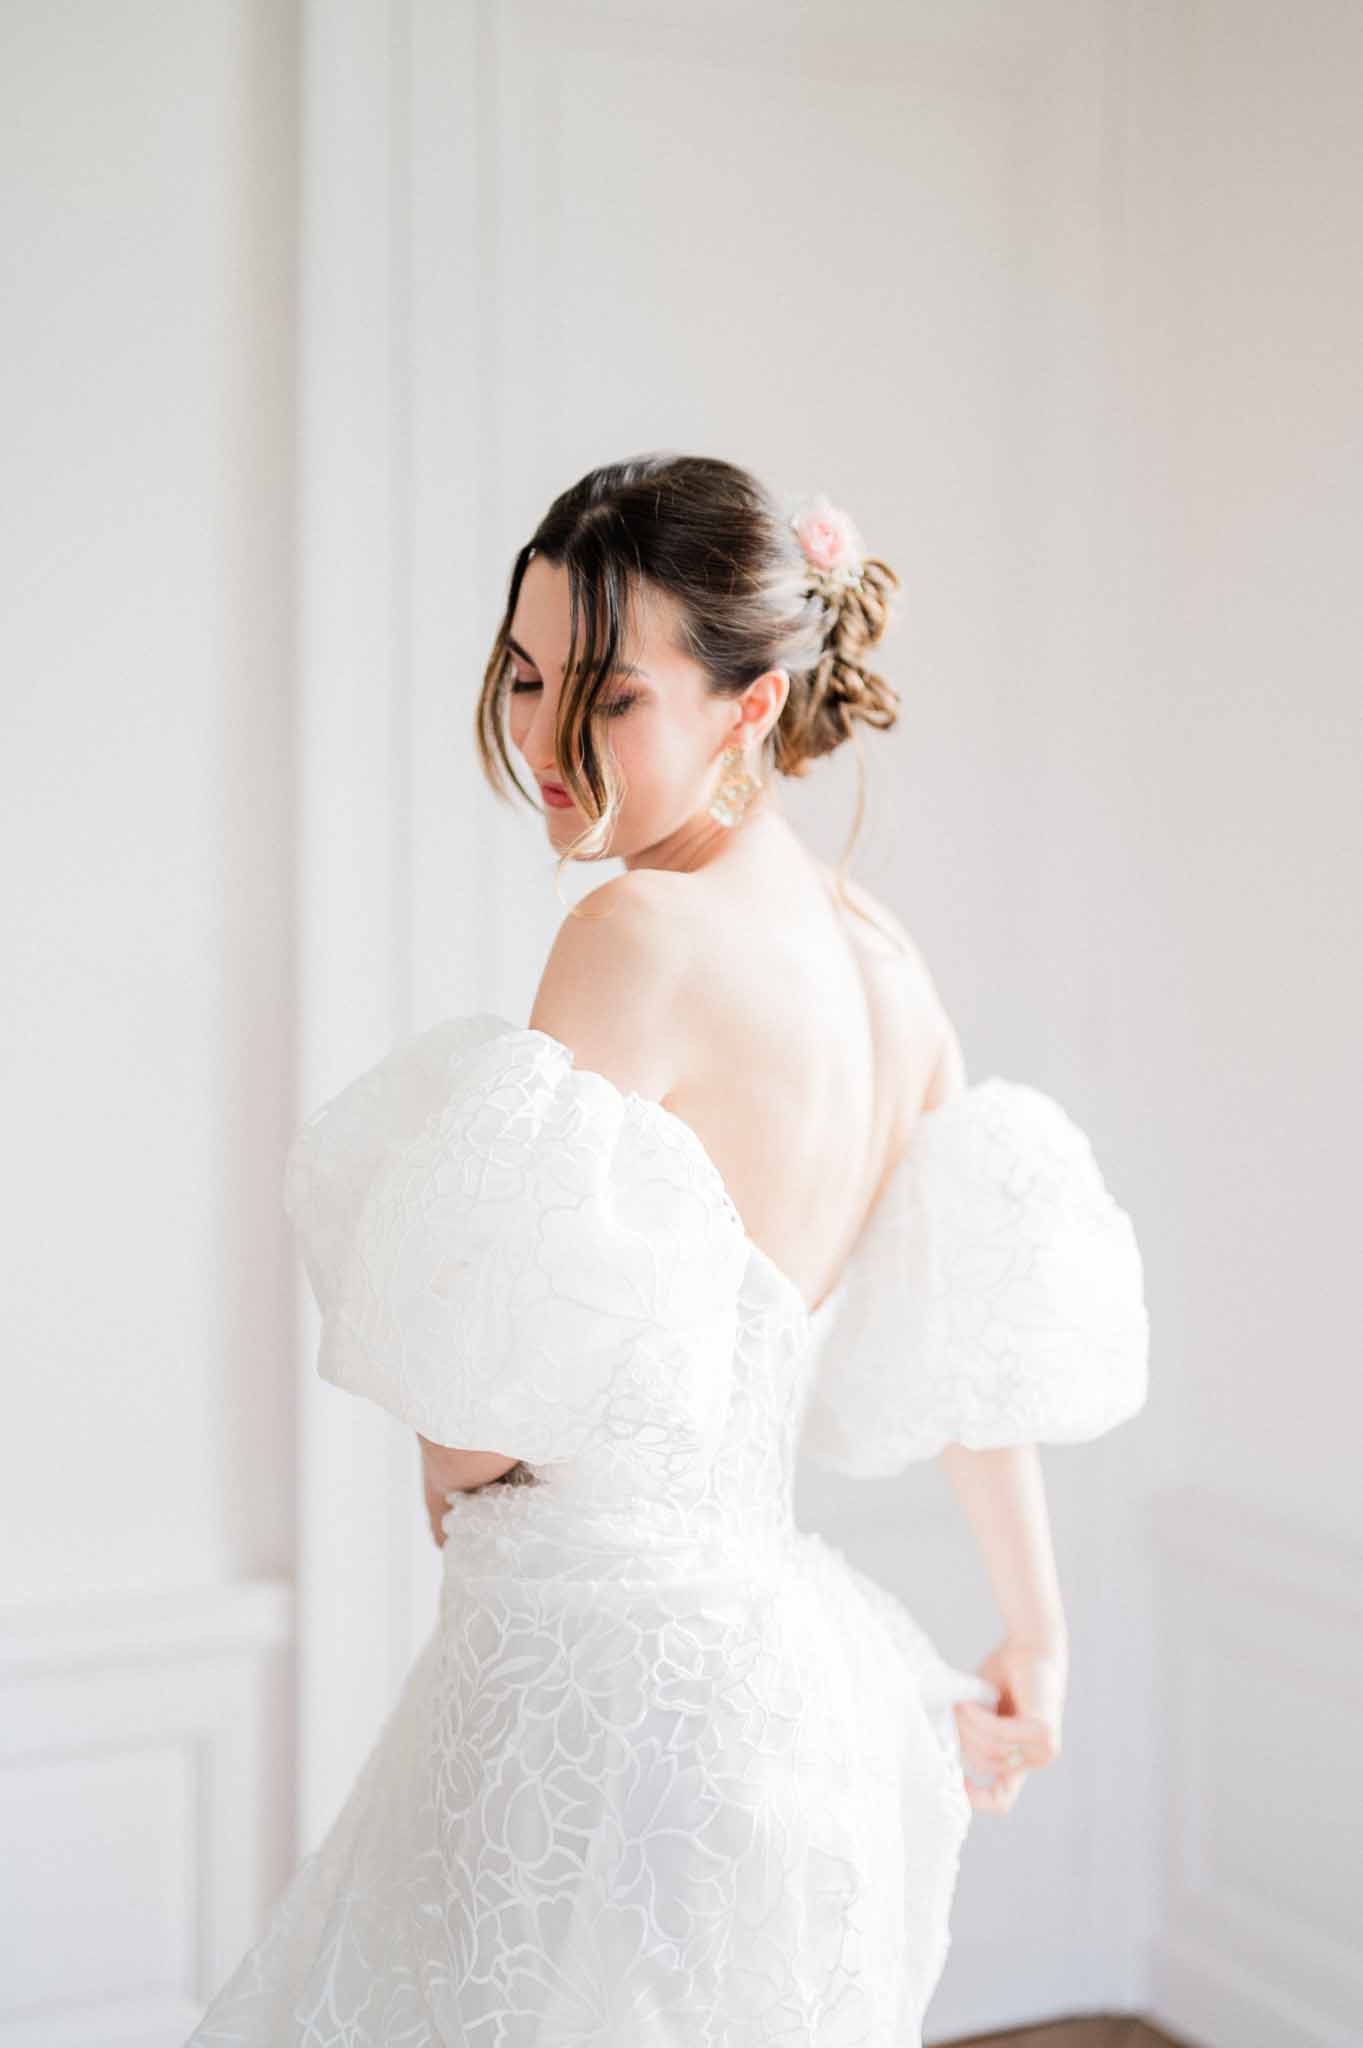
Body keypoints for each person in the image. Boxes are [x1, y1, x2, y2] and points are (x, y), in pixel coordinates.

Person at [186, 453, 1148, 2045]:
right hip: (792, 1699)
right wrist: (1036, 1637)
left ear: (750, 709)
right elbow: (976, 1330)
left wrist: (448, 1458)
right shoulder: (881, 961)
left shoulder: (633, 937)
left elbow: (481, 1411)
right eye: (523, 676)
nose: (546, 739)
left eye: (608, 698)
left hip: (595, 1692)